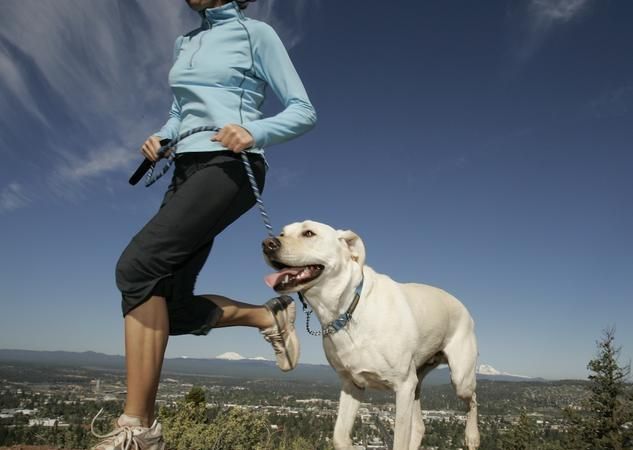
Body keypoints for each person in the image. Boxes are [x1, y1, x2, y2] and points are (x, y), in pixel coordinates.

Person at [90, 0, 316, 448]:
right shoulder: (185, 41)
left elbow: (303, 109)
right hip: (186, 170)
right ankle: (266, 317)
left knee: (137, 267)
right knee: (167, 308)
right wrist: (164, 136)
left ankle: (138, 429)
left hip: (232, 166)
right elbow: (181, 111)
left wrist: (255, 131)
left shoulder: (257, 34)